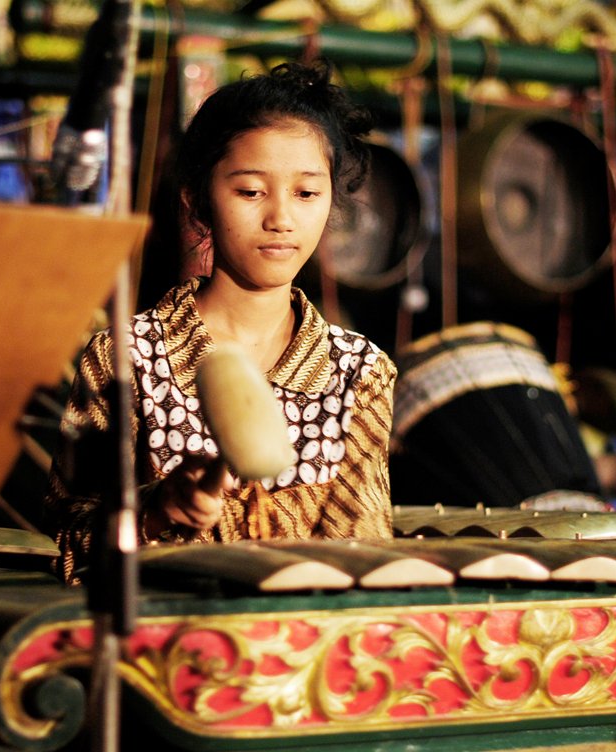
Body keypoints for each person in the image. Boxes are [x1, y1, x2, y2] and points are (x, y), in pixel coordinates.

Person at [44, 60, 397, 585]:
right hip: (163, 651)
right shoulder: (128, 356)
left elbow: (364, 554)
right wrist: (157, 511)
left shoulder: (358, 371)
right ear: (198, 201)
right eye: (251, 191)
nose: (281, 218)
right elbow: (69, 547)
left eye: (306, 193)